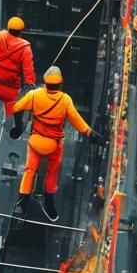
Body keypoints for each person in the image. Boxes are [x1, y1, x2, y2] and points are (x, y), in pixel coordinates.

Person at [13, 67, 102, 222]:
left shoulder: (34, 95)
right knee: (52, 173)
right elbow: (76, 119)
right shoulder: (65, 100)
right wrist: (89, 133)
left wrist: (18, 128)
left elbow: (16, 108)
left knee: (30, 170)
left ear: (46, 83)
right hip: (53, 144)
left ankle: (21, 204)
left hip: (35, 142)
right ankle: (49, 203)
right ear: (60, 84)